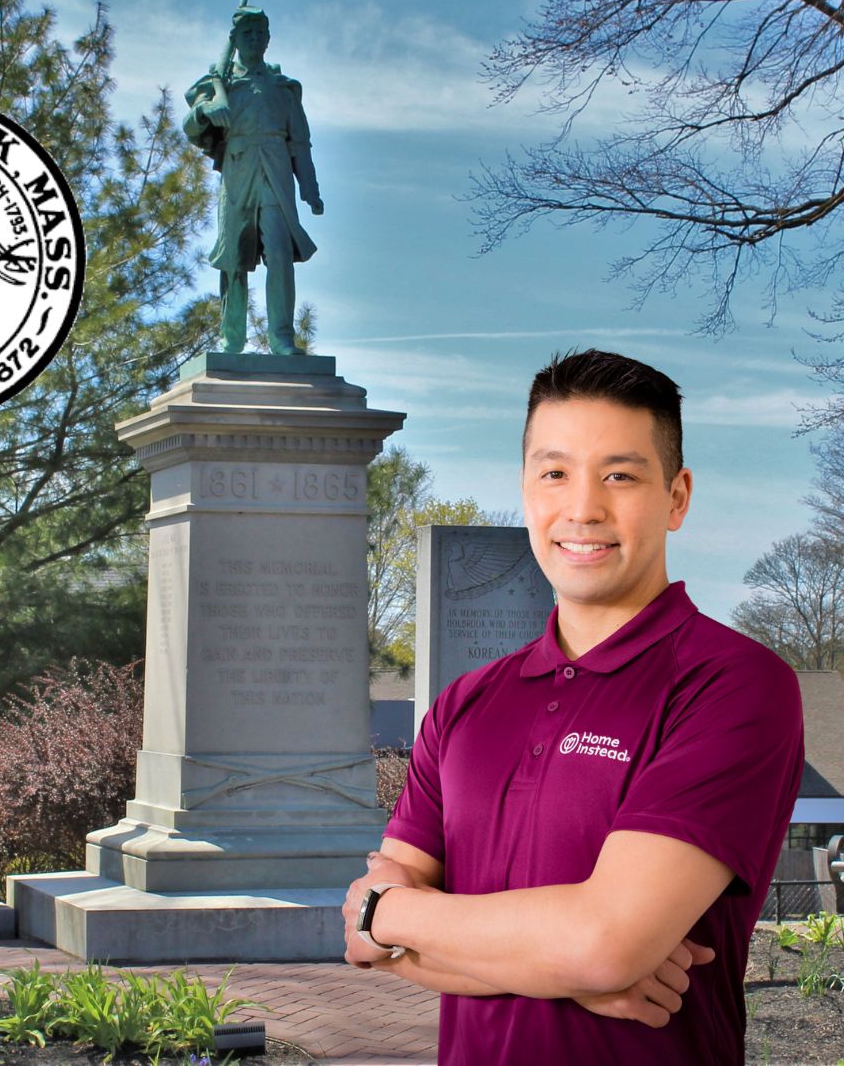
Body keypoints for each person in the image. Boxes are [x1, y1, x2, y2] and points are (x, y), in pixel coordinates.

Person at [342, 348, 804, 1065]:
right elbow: (361, 944)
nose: (583, 508)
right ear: (526, 490)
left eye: (620, 475)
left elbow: (603, 943)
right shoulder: (464, 706)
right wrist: (570, 970)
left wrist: (392, 915)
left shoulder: (735, 684)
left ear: (677, 497)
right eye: (555, 473)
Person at [184, 5, 323, 355]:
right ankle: (231, 339)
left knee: (279, 253)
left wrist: (310, 189)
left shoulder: (283, 88)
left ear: (268, 39)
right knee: (234, 257)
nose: (254, 39)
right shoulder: (221, 83)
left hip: (276, 171)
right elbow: (190, 125)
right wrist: (206, 109)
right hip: (239, 170)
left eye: (260, 32)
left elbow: (300, 142)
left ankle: (282, 339)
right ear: (235, 39)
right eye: (247, 33)